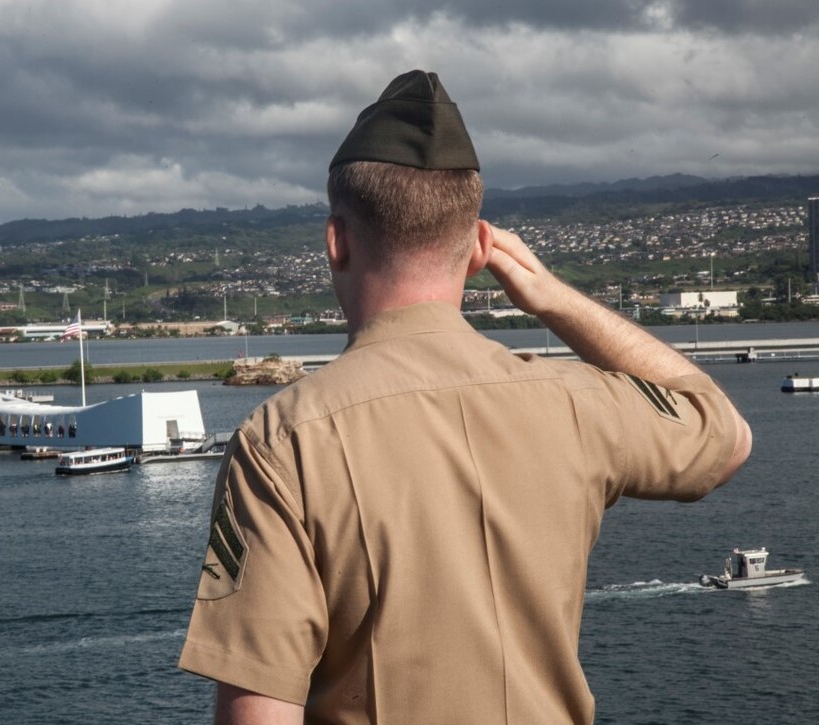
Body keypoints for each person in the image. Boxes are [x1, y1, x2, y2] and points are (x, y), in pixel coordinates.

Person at [178, 70, 751, 724]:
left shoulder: (283, 442)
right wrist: (551, 294)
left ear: (336, 242)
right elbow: (723, 428)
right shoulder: (575, 403)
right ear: (481, 248)